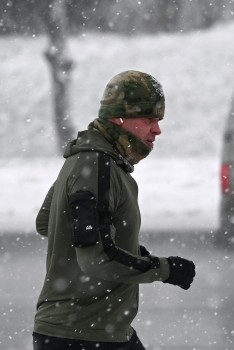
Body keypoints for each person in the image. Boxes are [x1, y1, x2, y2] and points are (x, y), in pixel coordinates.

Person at [32, 70, 196, 350]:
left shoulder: (85, 159)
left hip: (97, 332)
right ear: (120, 117)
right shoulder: (97, 166)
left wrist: (122, 247)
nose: (157, 129)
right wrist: (165, 269)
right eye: (149, 119)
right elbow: (96, 259)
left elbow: (47, 222)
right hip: (82, 336)